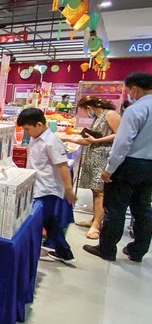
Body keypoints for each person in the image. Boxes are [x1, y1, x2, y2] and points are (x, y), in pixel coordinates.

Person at [84, 72, 152, 262]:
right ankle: (138, 250)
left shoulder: (135, 110)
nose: (129, 93)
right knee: (143, 208)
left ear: (135, 89)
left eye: (129, 90)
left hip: (129, 164)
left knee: (115, 208)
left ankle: (107, 249)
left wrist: (109, 169)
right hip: (149, 166)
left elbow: (122, 143)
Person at [17, 108, 77, 264]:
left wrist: (68, 190)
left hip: (47, 189)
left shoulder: (52, 142)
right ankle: (64, 251)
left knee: (42, 221)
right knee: (49, 221)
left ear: (39, 124)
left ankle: (42, 251)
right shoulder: (35, 137)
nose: (26, 132)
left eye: (27, 129)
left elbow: (63, 166)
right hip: (37, 187)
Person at [62, 96, 121, 239]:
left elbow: (119, 135)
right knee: (95, 191)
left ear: (88, 107)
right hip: (95, 156)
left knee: (100, 192)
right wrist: (68, 139)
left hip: (103, 157)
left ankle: (96, 225)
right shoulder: (98, 118)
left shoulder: (110, 115)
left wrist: (97, 140)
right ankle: (95, 219)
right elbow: (90, 140)